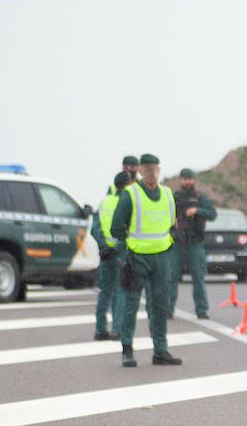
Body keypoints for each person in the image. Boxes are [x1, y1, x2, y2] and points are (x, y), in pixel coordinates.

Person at [109, 153, 181, 367]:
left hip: (161, 258)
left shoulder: (168, 194)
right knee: (131, 304)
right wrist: (131, 243)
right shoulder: (130, 194)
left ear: (159, 169)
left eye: (154, 166)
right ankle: (127, 350)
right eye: (146, 167)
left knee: (160, 306)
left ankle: (160, 351)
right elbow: (116, 228)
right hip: (137, 258)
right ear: (139, 170)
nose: (151, 170)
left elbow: (172, 224)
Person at [169, 167, 216, 318]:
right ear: (180, 180)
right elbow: (165, 213)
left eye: (189, 179)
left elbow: (212, 214)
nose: (187, 182)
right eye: (184, 179)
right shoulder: (174, 197)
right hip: (177, 241)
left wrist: (197, 211)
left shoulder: (200, 198)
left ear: (193, 180)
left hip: (195, 242)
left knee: (198, 276)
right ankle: (168, 309)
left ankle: (201, 310)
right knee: (172, 276)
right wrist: (172, 220)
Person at [90, 170, 131, 340]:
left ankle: (100, 329)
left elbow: (95, 227)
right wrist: (117, 247)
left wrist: (103, 245)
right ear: (127, 185)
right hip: (120, 252)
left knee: (105, 291)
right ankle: (117, 330)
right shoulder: (127, 203)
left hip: (105, 253)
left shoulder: (103, 202)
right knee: (120, 291)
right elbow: (129, 230)